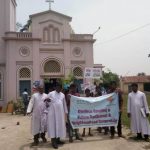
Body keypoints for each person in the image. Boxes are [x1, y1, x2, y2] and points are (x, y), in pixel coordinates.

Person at [47, 84, 68, 149]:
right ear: (55, 87)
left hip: (60, 114)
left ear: (61, 88)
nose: (58, 88)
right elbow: (46, 101)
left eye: (60, 87)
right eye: (57, 87)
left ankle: (58, 140)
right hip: (52, 114)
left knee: (59, 126)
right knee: (53, 127)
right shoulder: (51, 93)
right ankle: (53, 142)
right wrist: (48, 102)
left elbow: (64, 104)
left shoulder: (63, 95)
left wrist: (66, 112)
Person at [27, 81, 48, 146]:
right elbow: (31, 103)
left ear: (43, 89)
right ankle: (36, 140)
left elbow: (48, 104)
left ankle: (43, 136)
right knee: (36, 127)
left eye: (42, 88)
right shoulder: (34, 95)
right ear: (38, 89)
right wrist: (29, 110)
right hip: (36, 114)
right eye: (40, 88)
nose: (41, 89)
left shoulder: (46, 95)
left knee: (44, 126)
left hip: (44, 114)